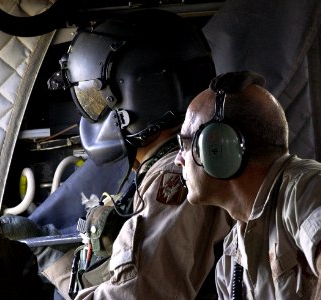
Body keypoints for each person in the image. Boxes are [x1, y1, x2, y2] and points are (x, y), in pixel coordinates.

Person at [40, 9, 233, 299]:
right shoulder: (181, 161)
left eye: (95, 99)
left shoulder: (177, 175)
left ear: (139, 95)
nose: (92, 113)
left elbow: (136, 292)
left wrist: (44, 265)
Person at [174, 70, 321, 299]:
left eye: (185, 142)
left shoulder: (307, 189)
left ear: (218, 149)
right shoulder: (231, 261)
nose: (178, 159)